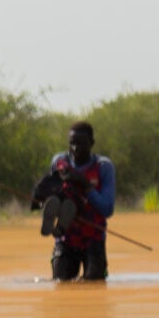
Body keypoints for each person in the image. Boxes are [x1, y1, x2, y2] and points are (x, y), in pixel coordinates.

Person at [30, 119, 117, 282]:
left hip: (94, 238)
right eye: (72, 144)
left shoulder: (104, 167)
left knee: (94, 284)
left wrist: (84, 184)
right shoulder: (59, 162)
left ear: (92, 143)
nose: (75, 149)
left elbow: (107, 209)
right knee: (61, 283)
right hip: (66, 238)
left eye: (81, 144)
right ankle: (57, 213)